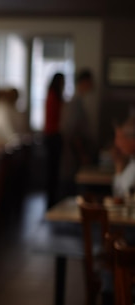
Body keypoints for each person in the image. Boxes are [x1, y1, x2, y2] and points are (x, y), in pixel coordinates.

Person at [59, 68, 96, 199]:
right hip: (74, 156)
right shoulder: (75, 103)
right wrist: (82, 155)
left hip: (76, 154)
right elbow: (73, 134)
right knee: (73, 192)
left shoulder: (78, 102)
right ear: (84, 82)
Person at [43, 72, 65, 208]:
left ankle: (52, 200)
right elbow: (53, 119)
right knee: (52, 171)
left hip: (52, 135)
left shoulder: (53, 95)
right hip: (52, 136)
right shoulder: (53, 96)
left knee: (53, 171)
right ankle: (51, 201)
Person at [112, 113, 135, 198]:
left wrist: (118, 170)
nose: (117, 143)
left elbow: (120, 196)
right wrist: (119, 168)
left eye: (121, 137)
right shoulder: (131, 163)